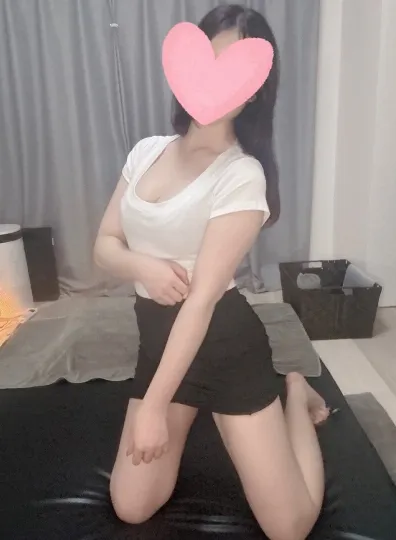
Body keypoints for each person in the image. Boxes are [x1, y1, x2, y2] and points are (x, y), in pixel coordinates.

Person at [94, 5, 329, 540]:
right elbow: (104, 245)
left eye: (233, 70)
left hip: (223, 345)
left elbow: (200, 301)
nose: (214, 81)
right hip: (160, 342)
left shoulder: (242, 175)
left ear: (253, 92)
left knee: (289, 528)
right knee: (131, 506)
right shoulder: (146, 152)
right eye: (208, 62)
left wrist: (154, 407)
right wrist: (142, 266)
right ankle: (191, 403)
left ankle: (294, 390)